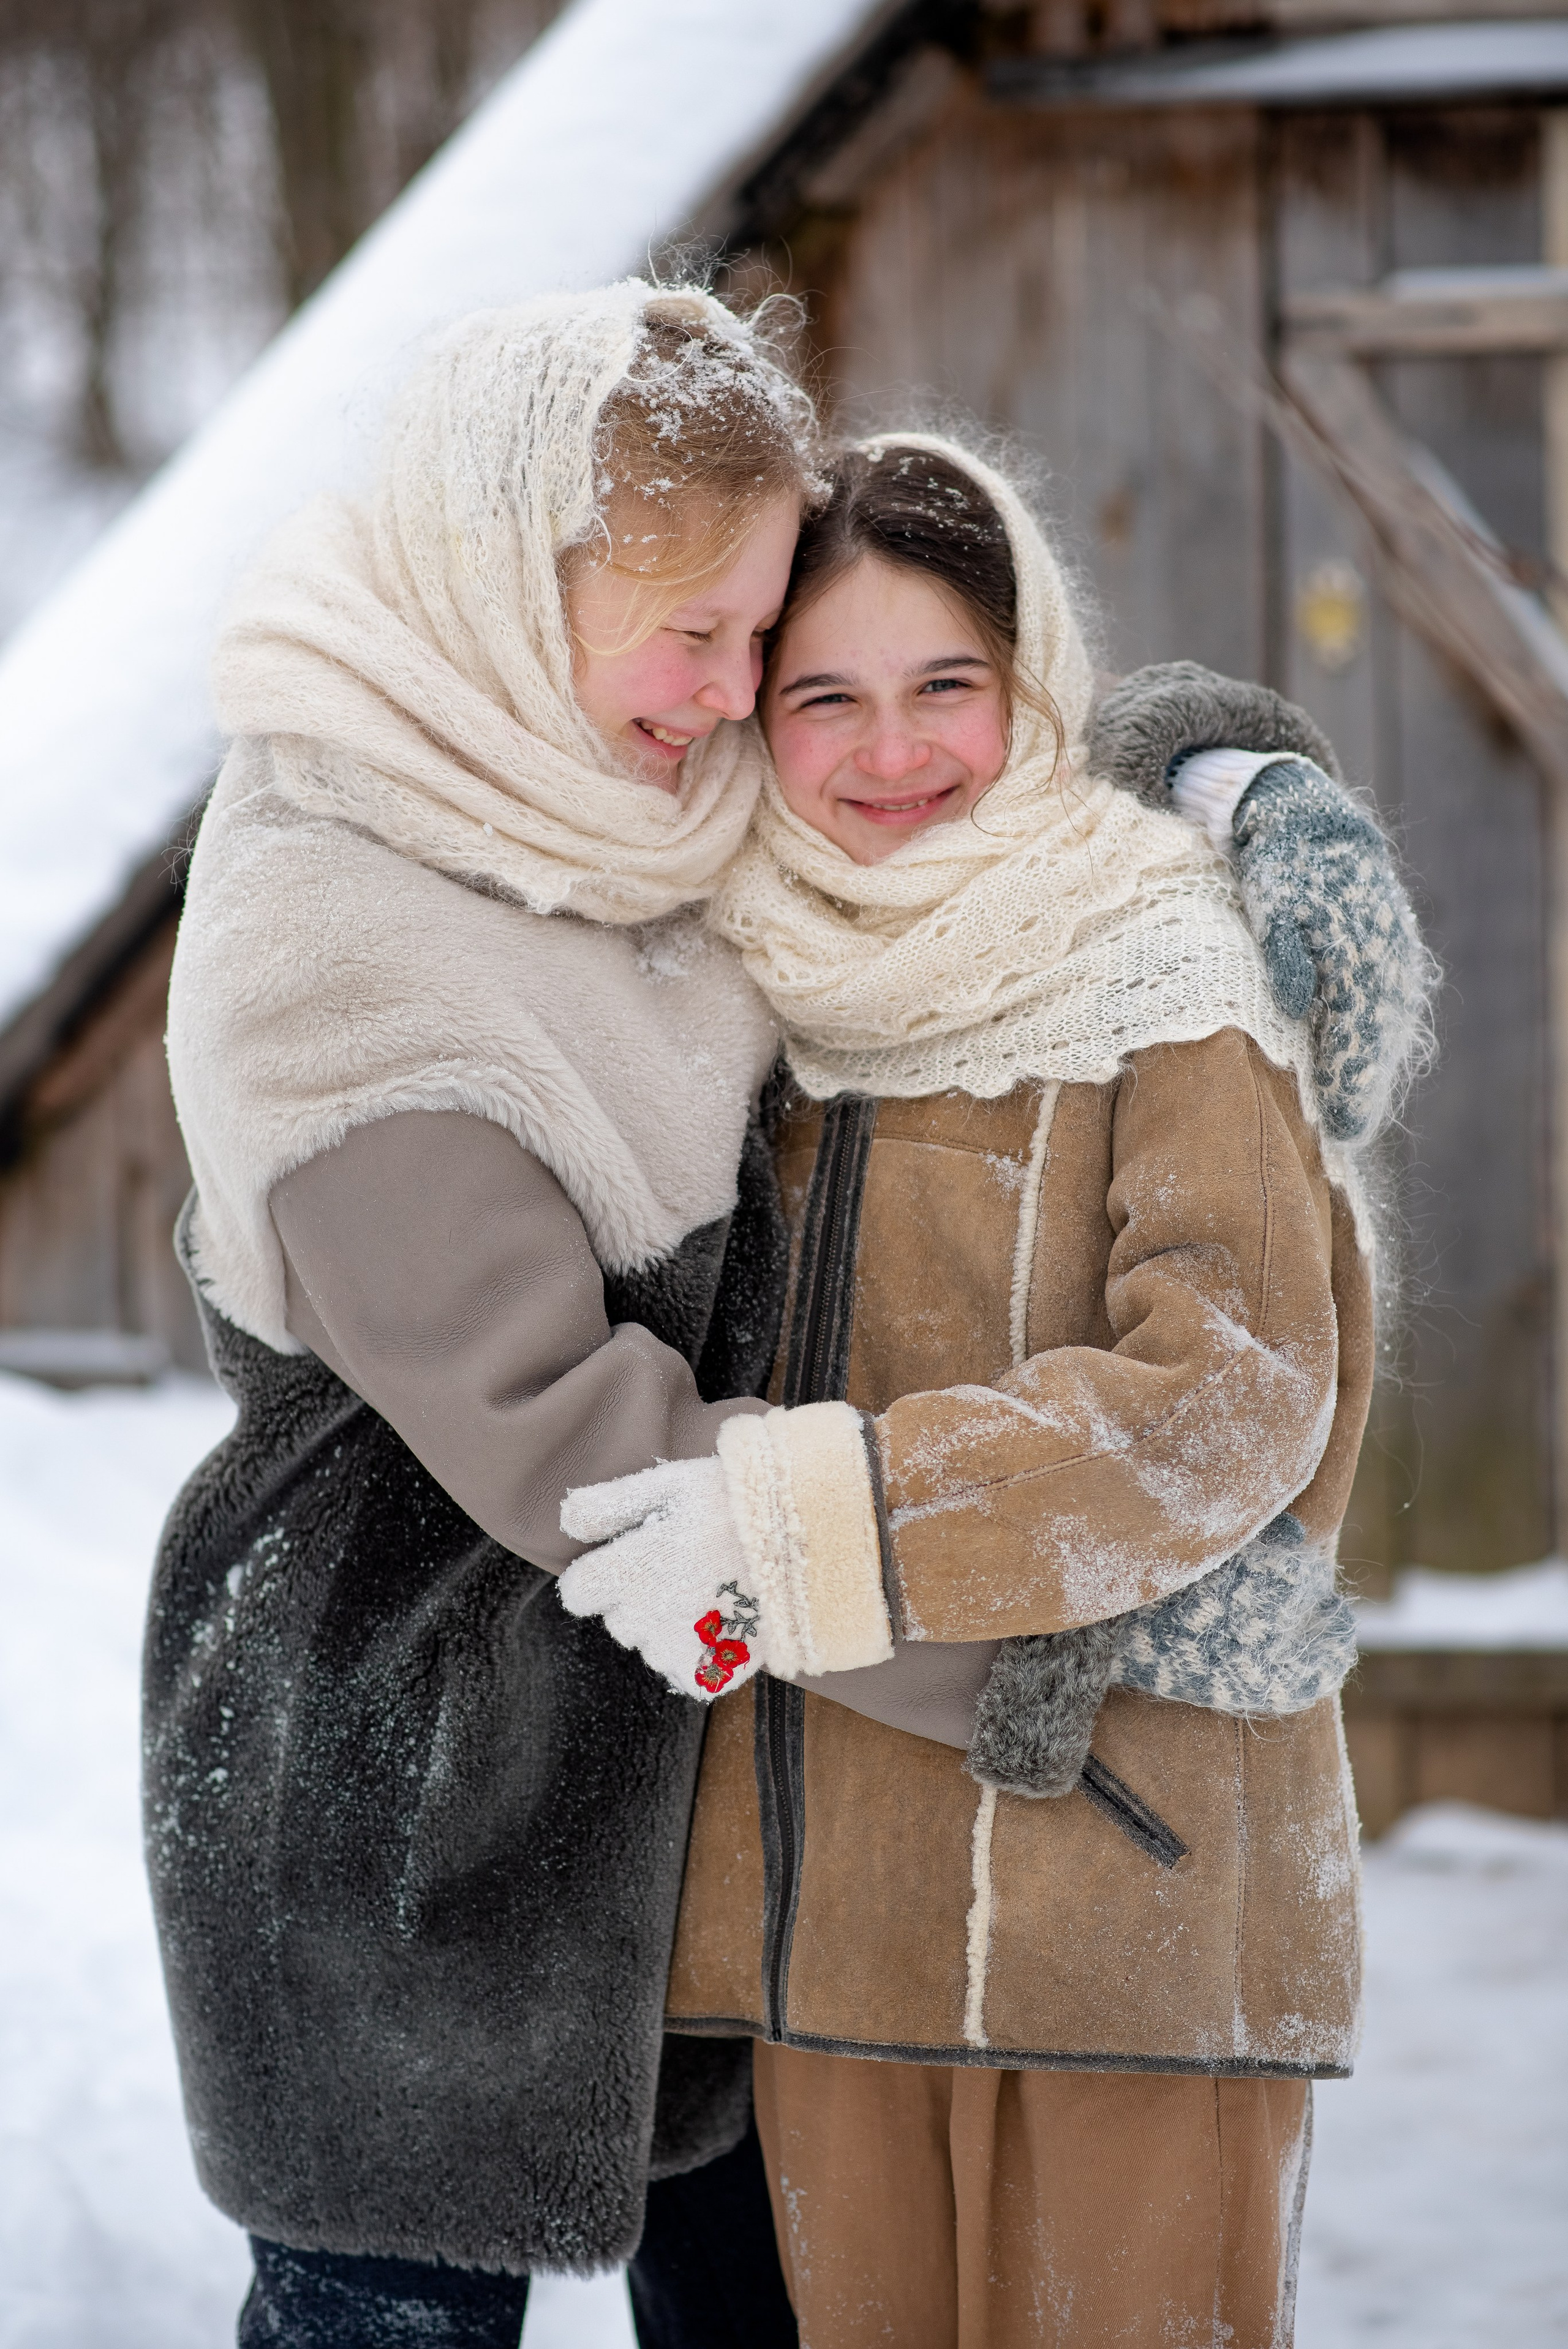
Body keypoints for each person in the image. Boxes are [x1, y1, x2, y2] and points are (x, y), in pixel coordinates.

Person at [151, 277, 1415, 2344]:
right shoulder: (340, 928)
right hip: (423, 1783)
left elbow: (955, 717)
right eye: (707, 636)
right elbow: (579, 1447)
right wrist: (1056, 1652)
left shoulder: (616, 760)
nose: (745, 696)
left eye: (761, 640)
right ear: (508, 574)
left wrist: (1227, 775)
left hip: (709, 1807)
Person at [556, 434, 1428, 2347]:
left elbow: (1234, 1387)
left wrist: (812, 1517)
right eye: (826, 698)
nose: (892, 753)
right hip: (820, 1927)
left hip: (1124, 1893)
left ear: (1036, 686)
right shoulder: (743, 993)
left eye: (948, 683)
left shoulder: (1170, 961)